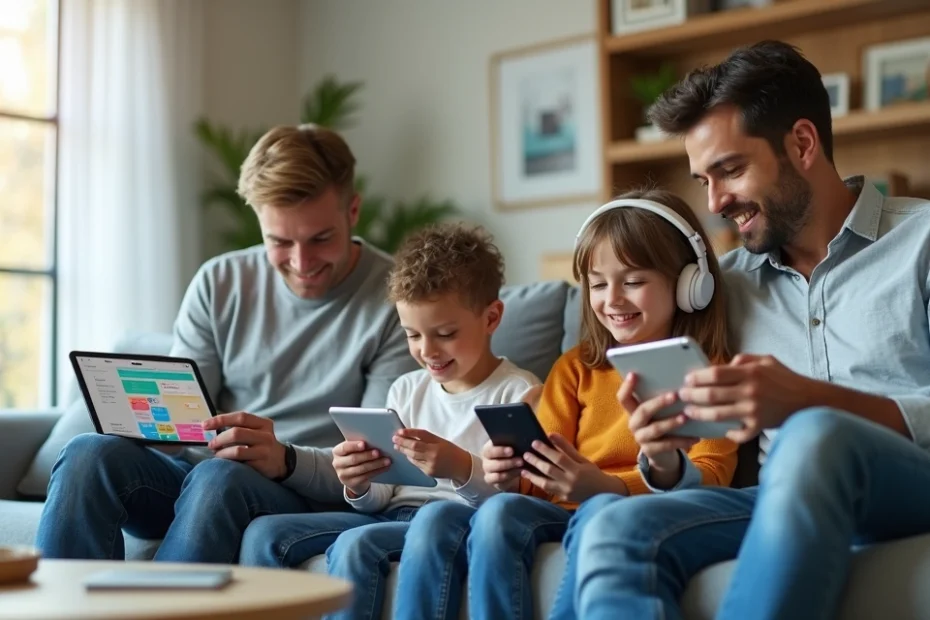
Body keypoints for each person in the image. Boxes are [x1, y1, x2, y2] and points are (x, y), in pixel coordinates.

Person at [571, 40, 930, 620]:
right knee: (617, 527)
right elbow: (704, 461)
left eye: (730, 170)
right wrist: (663, 459)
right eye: (702, 180)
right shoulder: (721, 286)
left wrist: (813, 401)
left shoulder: (922, 242)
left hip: (913, 481)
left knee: (814, 435)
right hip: (776, 497)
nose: (715, 202)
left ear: (803, 144)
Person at [35, 124, 418, 563]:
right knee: (87, 454)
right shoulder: (220, 281)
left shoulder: (397, 301)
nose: (301, 263)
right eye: (279, 241)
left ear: (352, 211)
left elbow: (375, 466)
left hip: (300, 491)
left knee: (220, 478)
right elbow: (186, 424)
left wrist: (286, 459)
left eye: (320, 239)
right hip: (199, 478)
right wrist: (154, 426)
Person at [392, 188, 740, 620]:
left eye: (632, 281)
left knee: (598, 511)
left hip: (623, 509)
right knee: (498, 511)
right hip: (556, 509)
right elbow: (534, 475)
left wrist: (605, 486)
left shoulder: (706, 371)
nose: (611, 299)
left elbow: (712, 476)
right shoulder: (575, 369)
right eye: (597, 284)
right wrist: (509, 473)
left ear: (691, 284)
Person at [238, 223, 542, 620]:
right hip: (391, 516)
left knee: (358, 545)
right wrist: (359, 482)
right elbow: (383, 495)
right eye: (412, 335)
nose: (427, 351)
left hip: (453, 520)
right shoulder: (405, 389)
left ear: (491, 318)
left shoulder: (519, 394)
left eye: (445, 333)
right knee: (265, 533)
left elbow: (518, 500)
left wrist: (460, 467)